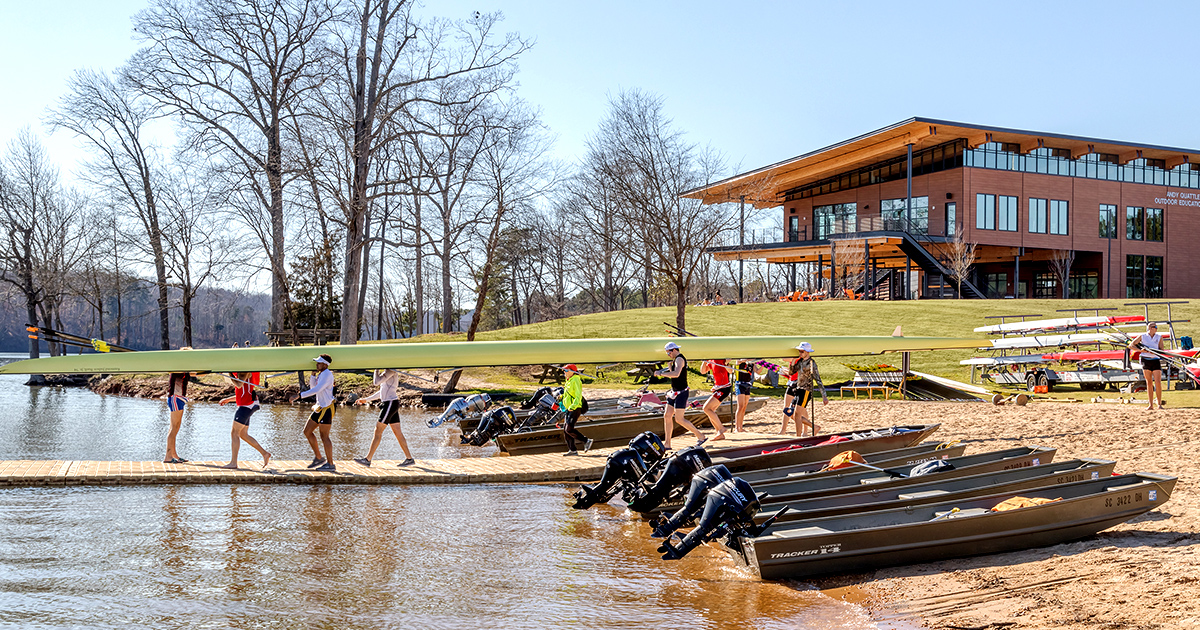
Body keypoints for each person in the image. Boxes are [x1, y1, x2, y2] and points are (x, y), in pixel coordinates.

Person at [354, 368, 415, 467]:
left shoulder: (391, 371)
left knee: (378, 430)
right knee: (397, 432)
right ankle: (409, 459)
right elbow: (381, 392)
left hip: (390, 404)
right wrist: (366, 399)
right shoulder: (386, 373)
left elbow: (376, 383)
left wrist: (376, 369)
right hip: (390, 403)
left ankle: (367, 459)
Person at [654, 342, 707, 449]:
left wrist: (661, 373)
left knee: (679, 419)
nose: (668, 355)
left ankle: (700, 436)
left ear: (674, 350)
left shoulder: (680, 359)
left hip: (681, 393)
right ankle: (667, 443)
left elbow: (676, 374)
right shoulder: (676, 360)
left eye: (668, 353)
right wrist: (670, 367)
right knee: (667, 415)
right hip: (674, 392)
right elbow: (676, 375)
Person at [289, 354, 337, 471]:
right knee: (307, 431)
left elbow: (317, 389)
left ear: (325, 365)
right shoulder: (321, 374)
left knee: (324, 436)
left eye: (319, 363)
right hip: (319, 407)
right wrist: (312, 375)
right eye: (317, 363)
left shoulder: (327, 375)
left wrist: (299, 396)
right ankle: (319, 458)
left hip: (327, 408)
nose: (317, 365)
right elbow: (313, 387)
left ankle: (330, 464)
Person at [217, 371, 271, 470]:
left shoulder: (244, 370)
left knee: (234, 433)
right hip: (248, 404)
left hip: (246, 405)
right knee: (243, 434)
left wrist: (229, 373)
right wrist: (227, 399)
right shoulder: (241, 372)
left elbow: (239, 384)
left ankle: (233, 463)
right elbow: (243, 392)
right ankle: (265, 454)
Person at [781, 342, 828, 436]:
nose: (800, 353)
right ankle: (814, 427)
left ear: (807, 352)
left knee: (797, 414)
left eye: (802, 351)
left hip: (806, 390)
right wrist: (793, 362)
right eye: (799, 351)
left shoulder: (811, 363)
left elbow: (818, 379)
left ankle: (798, 436)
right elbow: (791, 372)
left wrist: (824, 396)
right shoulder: (800, 362)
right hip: (798, 389)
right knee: (791, 413)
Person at [1129, 322, 1166, 410]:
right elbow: (1131, 345)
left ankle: (1159, 404)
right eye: (1154, 327)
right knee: (1149, 382)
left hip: (1155, 359)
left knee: (1158, 382)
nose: (1156, 328)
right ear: (1150, 328)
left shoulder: (1159, 337)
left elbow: (1162, 349)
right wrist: (1142, 351)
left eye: (1156, 327)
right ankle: (1150, 405)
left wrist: (1155, 351)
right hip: (1146, 360)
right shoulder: (1143, 336)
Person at [559, 364, 592, 456]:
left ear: (572, 371)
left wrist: (573, 407)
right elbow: (568, 394)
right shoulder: (569, 380)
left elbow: (578, 395)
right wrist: (561, 397)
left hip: (575, 408)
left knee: (569, 429)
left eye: (566, 370)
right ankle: (572, 450)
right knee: (566, 430)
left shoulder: (576, 380)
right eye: (564, 370)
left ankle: (586, 440)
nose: (564, 372)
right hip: (568, 408)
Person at [699, 359, 730, 441]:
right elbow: (703, 371)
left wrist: (727, 363)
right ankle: (720, 433)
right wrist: (704, 361)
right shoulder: (711, 360)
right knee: (710, 410)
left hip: (724, 388)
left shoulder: (721, 359)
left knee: (706, 408)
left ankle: (721, 428)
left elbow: (730, 370)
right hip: (718, 388)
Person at [163, 372, 190, 463]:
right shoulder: (177, 369)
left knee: (176, 427)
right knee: (173, 428)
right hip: (175, 398)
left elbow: (197, 373)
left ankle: (174, 455)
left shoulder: (185, 370)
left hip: (180, 398)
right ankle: (168, 457)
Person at [732, 359, 760, 432]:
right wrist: (751, 360)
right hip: (739, 384)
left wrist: (763, 364)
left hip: (747, 384)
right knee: (740, 406)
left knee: (744, 407)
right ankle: (736, 427)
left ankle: (740, 427)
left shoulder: (751, 363)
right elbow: (741, 360)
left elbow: (758, 371)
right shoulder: (740, 361)